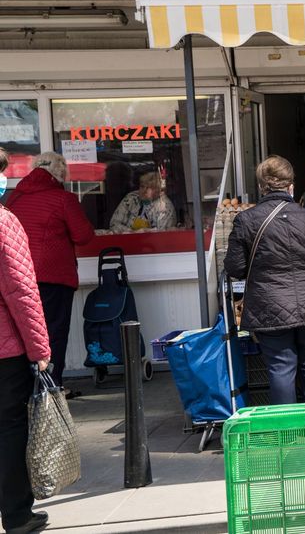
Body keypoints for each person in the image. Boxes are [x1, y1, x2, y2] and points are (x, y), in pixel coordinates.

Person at [225, 156, 305, 405]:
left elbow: (235, 267)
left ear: (262, 187)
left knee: (281, 367)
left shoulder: (246, 220)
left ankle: (289, 432)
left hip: (269, 305)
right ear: (291, 186)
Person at [4, 152, 94, 397]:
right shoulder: (63, 199)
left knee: (25, 334)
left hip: (17, 276)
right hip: (53, 276)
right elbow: (83, 236)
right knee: (54, 332)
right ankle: (52, 388)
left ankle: (29, 389)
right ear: (60, 173)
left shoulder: (14, 198)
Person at [0, 148, 53, 534]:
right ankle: (16, 514)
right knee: (9, 426)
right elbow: (20, 291)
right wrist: (40, 351)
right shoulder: (3, 222)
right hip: (5, 350)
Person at [109, 172, 177, 233]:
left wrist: (144, 233)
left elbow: (162, 234)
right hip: (127, 241)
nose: (144, 190)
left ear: (157, 190)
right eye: (142, 186)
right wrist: (132, 232)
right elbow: (114, 224)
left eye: (149, 187)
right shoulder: (131, 199)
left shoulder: (165, 205)